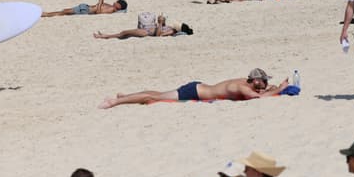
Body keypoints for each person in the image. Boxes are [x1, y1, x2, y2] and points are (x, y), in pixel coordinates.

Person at [100, 68, 289, 108]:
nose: (264, 84)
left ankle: (125, 96)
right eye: (263, 82)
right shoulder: (242, 88)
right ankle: (117, 101)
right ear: (256, 81)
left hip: (198, 88)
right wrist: (279, 89)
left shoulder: (244, 81)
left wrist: (268, 88)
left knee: (156, 94)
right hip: (194, 92)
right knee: (154, 97)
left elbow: (257, 92)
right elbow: (257, 97)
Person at [94, 15, 192, 39]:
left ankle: (104, 36)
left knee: (124, 32)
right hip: (147, 29)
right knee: (125, 34)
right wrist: (162, 22)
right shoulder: (171, 28)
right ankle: (106, 36)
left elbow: (159, 35)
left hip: (147, 33)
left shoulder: (171, 32)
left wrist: (160, 23)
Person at [42, 0, 128, 17]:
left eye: (118, 2)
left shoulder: (111, 10)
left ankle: (46, 14)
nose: (116, 1)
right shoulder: (111, 7)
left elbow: (98, 13)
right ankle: (47, 14)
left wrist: (100, 1)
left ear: (119, 6)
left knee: (64, 12)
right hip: (86, 7)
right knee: (64, 11)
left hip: (86, 10)